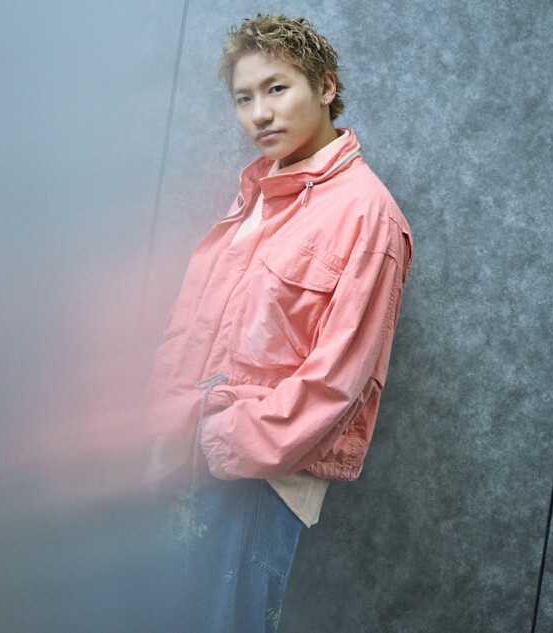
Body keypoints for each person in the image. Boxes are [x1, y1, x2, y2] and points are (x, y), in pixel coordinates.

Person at [144, 13, 413, 632]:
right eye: (244, 98)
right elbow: (191, 328)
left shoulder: (368, 215)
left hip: (256, 480)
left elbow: (341, 379)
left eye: (276, 88)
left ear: (325, 86)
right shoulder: (256, 196)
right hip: (182, 458)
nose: (259, 113)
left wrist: (225, 440)